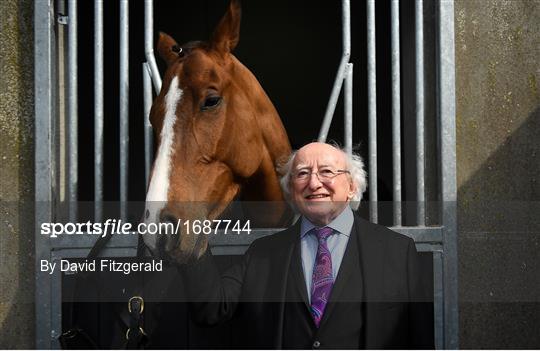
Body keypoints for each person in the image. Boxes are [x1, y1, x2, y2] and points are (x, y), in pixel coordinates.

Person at [180, 142, 434, 349]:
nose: (314, 183)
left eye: (326, 172)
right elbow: (210, 309)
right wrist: (190, 233)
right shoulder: (263, 254)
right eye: (302, 173)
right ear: (291, 190)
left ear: (352, 187)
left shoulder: (398, 251)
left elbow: (420, 341)